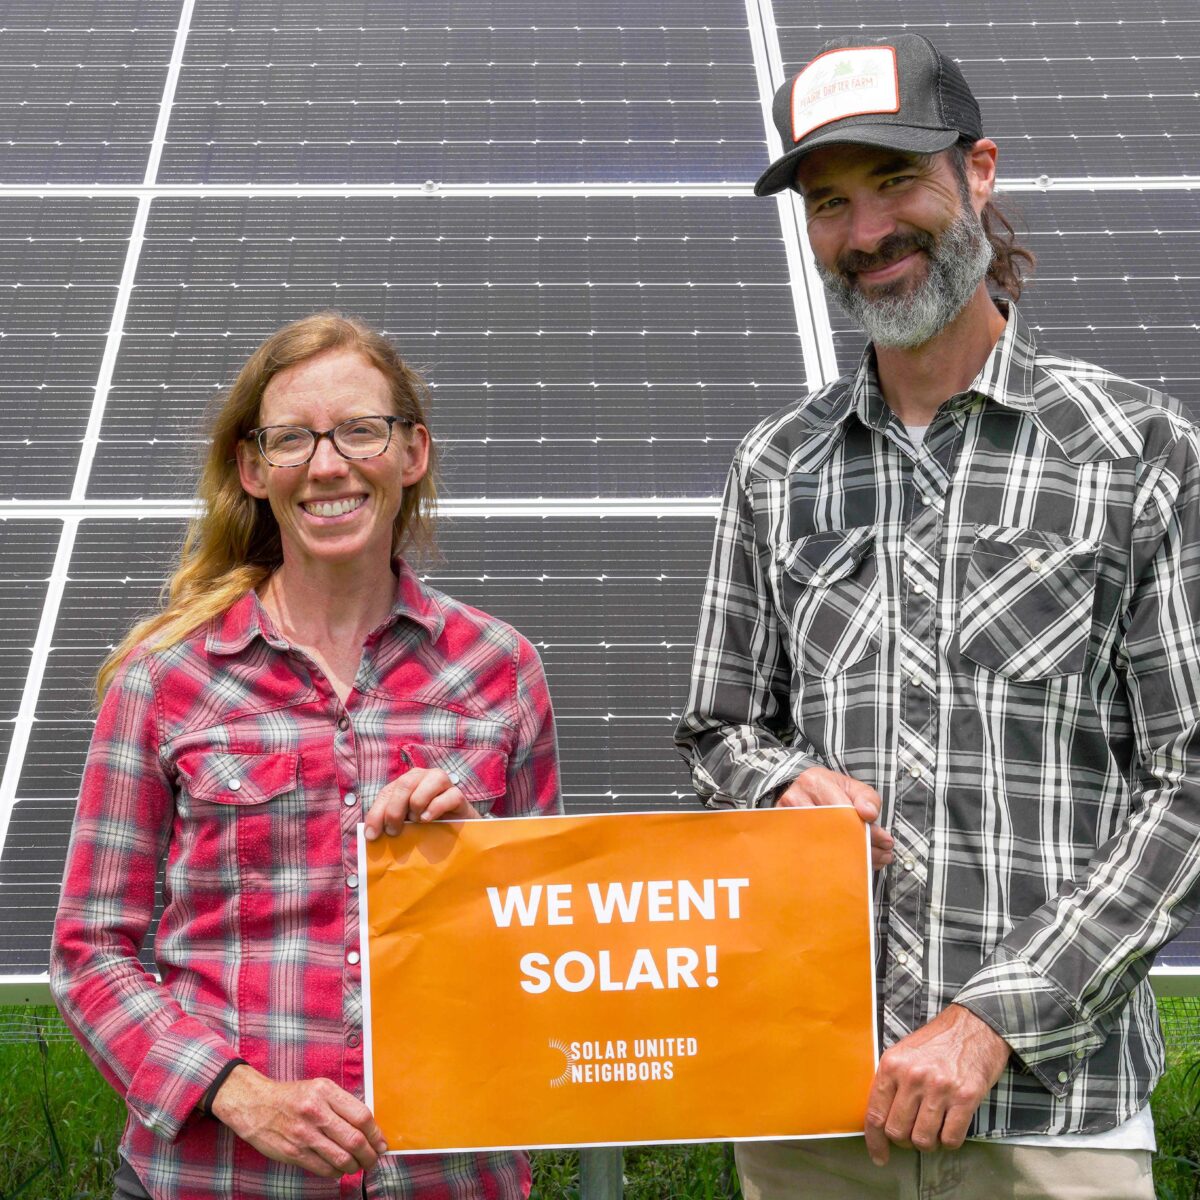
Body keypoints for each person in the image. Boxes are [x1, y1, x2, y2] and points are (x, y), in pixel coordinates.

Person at [676, 32, 1199, 1199]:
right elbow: (718, 734)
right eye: (830, 202)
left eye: (897, 182)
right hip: (815, 1099)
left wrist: (992, 1018)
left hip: (1053, 1114)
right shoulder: (775, 467)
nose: (866, 234)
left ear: (981, 172)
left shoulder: (1136, 453)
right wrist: (778, 784)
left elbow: (1191, 783)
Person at [50, 312, 562, 1200]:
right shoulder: (164, 680)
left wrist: (478, 855)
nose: (328, 465)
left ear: (412, 454)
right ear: (255, 469)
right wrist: (235, 1093)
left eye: (361, 430)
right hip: (216, 1178)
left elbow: (553, 944)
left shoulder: (500, 671)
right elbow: (91, 950)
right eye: (292, 439)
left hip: (447, 1176)